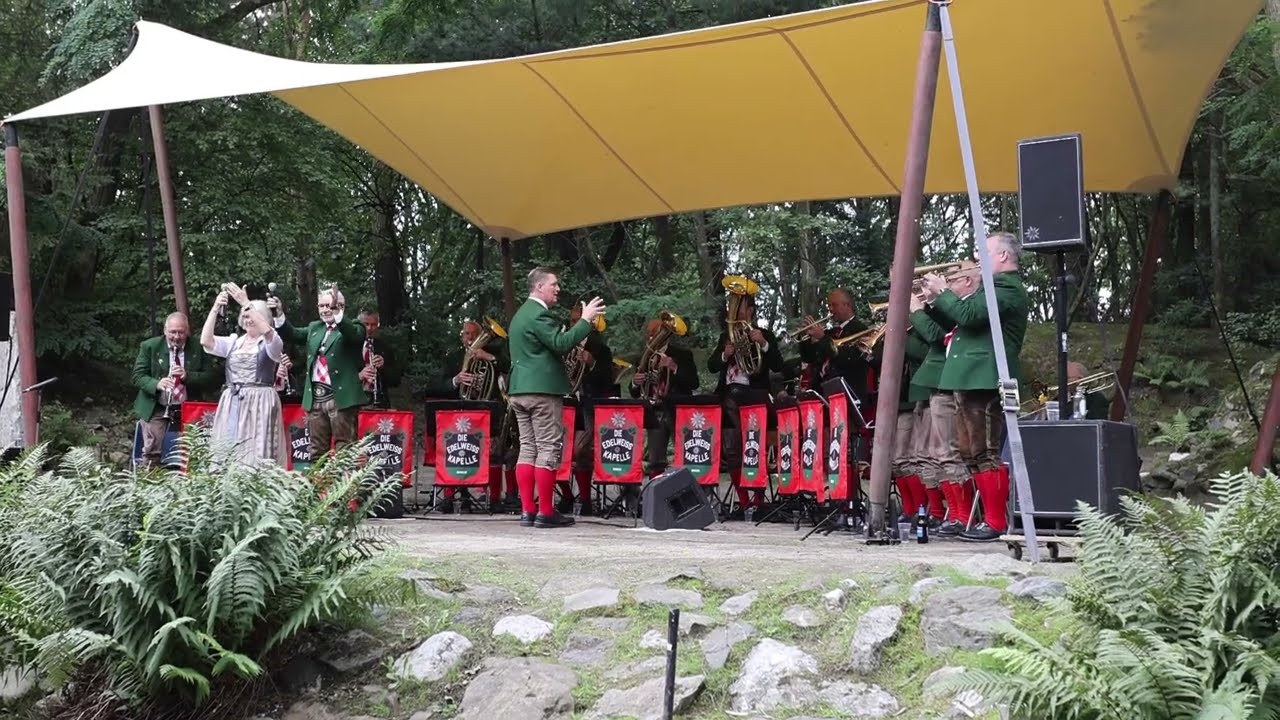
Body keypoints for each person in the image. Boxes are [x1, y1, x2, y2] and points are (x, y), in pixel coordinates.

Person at [920, 232, 1030, 542]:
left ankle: (995, 522)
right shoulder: (993, 288)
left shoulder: (1007, 288)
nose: (978, 258)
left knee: (986, 451)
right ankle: (989, 521)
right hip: (970, 378)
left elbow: (968, 315)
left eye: (984, 251)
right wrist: (935, 300)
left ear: (1004, 257)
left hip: (984, 378)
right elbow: (960, 321)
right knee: (971, 452)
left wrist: (944, 291)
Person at [507, 267, 605, 528]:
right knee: (548, 449)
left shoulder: (520, 315)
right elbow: (561, 344)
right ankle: (546, 512)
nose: (557, 288)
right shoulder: (539, 315)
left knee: (528, 449)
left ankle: (528, 511)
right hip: (541, 391)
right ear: (539, 287)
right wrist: (585, 321)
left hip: (519, 391)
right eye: (553, 284)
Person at [910, 261, 982, 535]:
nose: (947, 283)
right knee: (936, 454)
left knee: (949, 452)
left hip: (950, 382)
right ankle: (956, 516)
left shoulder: (968, 307)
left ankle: (964, 517)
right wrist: (929, 304)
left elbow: (936, 336)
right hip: (939, 383)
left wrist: (919, 311)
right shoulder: (956, 306)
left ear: (968, 281)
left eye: (953, 278)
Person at [708, 276, 784, 515]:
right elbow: (711, 366)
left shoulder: (765, 334)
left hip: (754, 396)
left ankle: (758, 499)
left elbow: (779, 365)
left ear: (750, 310)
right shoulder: (725, 336)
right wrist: (724, 354)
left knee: (754, 448)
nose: (733, 310)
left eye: (738, 306)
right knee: (732, 450)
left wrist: (763, 344)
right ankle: (743, 500)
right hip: (729, 395)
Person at [271, 286, 367, 460]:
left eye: (328, 306)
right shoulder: (315, 327)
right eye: (321, 306)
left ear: (341, 306)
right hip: (316, 397)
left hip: (341, 399)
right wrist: (278, 314)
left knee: (345, 450)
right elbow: (292, 334)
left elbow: (354, 336)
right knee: (316, 451)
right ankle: (318, 487)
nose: (324, 310)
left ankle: (344, 487)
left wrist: (338, 314)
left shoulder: (354, 326)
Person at [201, 283, 288, 468]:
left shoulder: (271, 343)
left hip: (260, 402)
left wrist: (245, 302)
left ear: (263, 318)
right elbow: (206, 341)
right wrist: (216, 307)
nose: (248, 320)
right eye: (246, 316)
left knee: (257, 453)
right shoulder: (234, 342)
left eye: (253, 316)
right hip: (233, 401)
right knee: (229, 452)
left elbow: (268, 331)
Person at [131, 312, 221, 469]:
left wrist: (188, 376)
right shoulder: (149, 346)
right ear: (165, 330)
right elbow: (138, 376)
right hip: (157, 406)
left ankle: (190, 484)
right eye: (173, 332)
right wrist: (157, 384)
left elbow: (212, 378)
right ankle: (149, 482)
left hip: (189, 405)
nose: (176, 337)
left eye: (181, 332)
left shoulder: (199, 348)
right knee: (152, 449)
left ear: (187, 331)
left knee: (194, 449)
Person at [630, 315, 700, 478]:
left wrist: (674, 367)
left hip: (677, 410)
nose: (651, 337)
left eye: (655, 333)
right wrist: (635, 382)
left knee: (685, 455)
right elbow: (635, 391)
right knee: (655, 459)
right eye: (649, 333)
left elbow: (693, 383)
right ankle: (656, 495)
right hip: (655, 412)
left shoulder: (683, 354)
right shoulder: (644, 357)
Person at [564, 301, 613, 514]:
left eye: (578, 320)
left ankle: (585, 500)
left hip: (589, 406)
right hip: (566, 403)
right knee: (559, 451)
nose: (574, 324)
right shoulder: (564, 343)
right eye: (572, 321)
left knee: (579, 450)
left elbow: (608, 381)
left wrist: (592, 363)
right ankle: (567, 497)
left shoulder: (600, 348)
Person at [359, 309, 401, 409]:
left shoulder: (384, 347)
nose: (369, 328)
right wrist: (359, 375)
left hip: (378, 401)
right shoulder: (350, 346)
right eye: (366, 324)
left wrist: (383, 367)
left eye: (373, 325)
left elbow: (395, 380)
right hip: (355, 399)